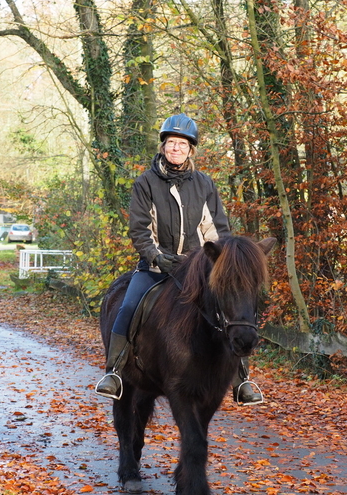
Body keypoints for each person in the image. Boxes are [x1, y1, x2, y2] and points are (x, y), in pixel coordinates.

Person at [95, 113, 264, 406]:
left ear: (190, 150)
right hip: (157, 266)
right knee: (129, 305)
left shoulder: (205, 184)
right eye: (171, 143)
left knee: (230, 310)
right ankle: (115, 372)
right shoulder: (145, 182)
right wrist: (157, 256)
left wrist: (216, 261)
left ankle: (242, 380)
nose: (176, 149)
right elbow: (139, 228)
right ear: (163, 147)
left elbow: (218, 231)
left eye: (182, 144)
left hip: (198, 267)